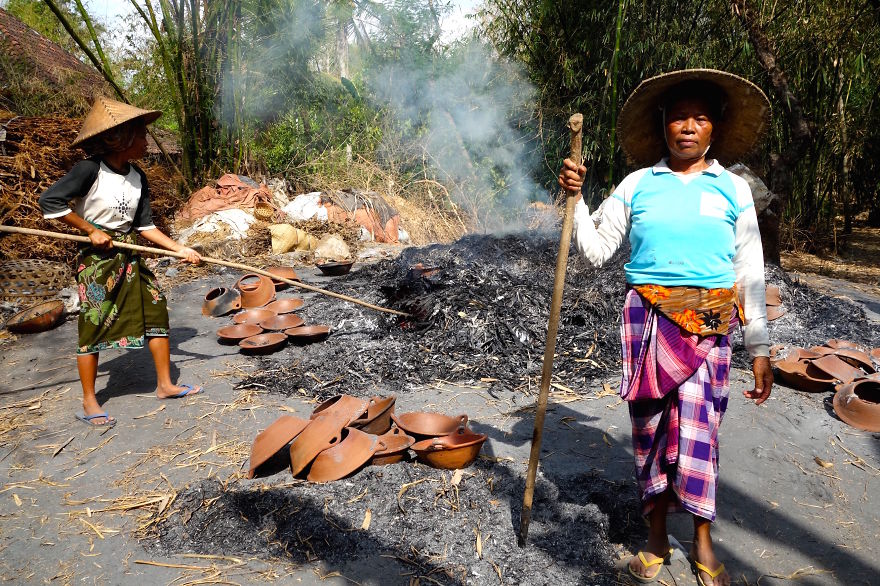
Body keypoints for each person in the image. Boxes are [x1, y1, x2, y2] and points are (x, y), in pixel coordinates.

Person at [558, 70, 773, 586]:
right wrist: (576, 199)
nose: (688, 126)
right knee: (651, 430)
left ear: (714, 129)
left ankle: (701, 541)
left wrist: (759, 345)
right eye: (679, 116)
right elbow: (594, 249)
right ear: (663, 125)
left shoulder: (733, 189)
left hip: (709, 328)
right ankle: (656, 538)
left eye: (700, 117)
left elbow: (749, 270)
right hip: (648, 324)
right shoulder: (637, 184)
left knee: (701, 434)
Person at [39, 97, 203, 428]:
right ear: (122, 138)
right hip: (98, 263)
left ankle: (165, 384)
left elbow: (145, 227)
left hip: (130, 256)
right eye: (141, 135)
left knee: (156, 309)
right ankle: (89, 400)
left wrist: (179, 249)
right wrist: (90, 230)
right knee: (94, 324)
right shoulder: (89, 169)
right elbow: (50, 200)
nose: (146, 141)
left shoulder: (138, 177)